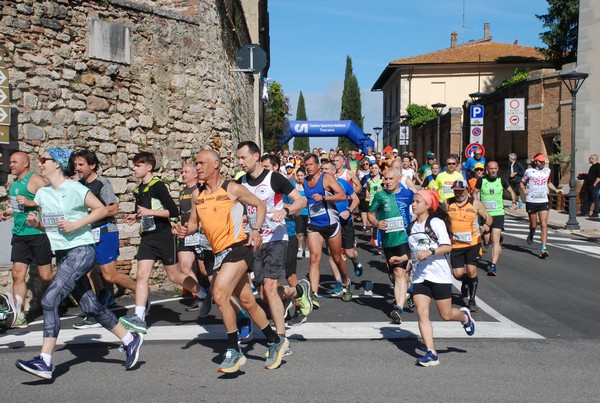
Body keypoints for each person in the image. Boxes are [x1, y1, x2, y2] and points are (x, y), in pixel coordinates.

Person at [175, 149, 309, 372]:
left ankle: (233, 350)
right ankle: (275, 341)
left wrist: (255, 230)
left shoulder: (232, 188)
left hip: (239, 249)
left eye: (201, 163)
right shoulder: (198, 195)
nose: (197, 167)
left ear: (215, 164)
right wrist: (183, 230)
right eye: (195, 164)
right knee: (247, 301)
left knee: (219, 293)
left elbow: (261, 205)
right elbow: (193, 223)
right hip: (218, 254)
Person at [15, 148, 142, 379]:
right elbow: (51, 226)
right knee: (91, 307)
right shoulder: (43, 194)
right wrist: (37, 226)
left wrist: (77, 225)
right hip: (64, 254)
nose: (40, 163)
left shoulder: (75, 188)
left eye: (44, 160)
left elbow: (102, 209)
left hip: (81, 252)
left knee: (49, 299)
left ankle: (44, 361)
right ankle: (129, 338)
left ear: (58, 164)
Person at [390, 190, 475, 367]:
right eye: (413, 201)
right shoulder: (411, 227)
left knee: (446, 314)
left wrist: (430, 252)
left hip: (439, 275)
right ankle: (431, 352)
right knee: (422, 313)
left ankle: (464, 317)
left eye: (417, 202)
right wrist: (402, 259)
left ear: (428, 205)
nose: (413, 204)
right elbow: (414, 253)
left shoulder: (435, 223)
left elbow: (447, 247)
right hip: (421, 277)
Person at [119, 152, 200, 334]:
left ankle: (203, 294)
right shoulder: (140, 189)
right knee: (142, 276)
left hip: (163, 236)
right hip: (148, 238)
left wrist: (149, 212)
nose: (134, 168)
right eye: (134, 165)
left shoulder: (158, 186)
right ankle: (139, 318)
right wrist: (136, 215)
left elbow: (172, 212)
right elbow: (145, 211)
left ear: (149, 167)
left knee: (174, 276)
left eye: (137, 165)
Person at [237, 142, 307, 343]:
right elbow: (242, 210)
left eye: (244, 157)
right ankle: (297, 290)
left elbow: (301, 201)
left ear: (256, 156)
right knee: (266, 294)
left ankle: (280, 339)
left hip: (276, 237)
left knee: (269, 287)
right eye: (239, 158)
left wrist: (285, 211)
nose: (240, 162)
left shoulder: (273, 178)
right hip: (255, 239)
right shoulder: (241, 182)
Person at [70, 149, 138, 329]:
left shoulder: (102, 183)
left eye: (81, 165)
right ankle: (97, 307)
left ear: (92, 166)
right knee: (87, 271)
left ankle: (140, 292)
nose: (77, 168)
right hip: (88, 233)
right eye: (76, 165)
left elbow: (114, 209)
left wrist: (93, 213)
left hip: (105, 231)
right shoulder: (80, 185)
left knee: (110, 275)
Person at [1, 152, 54, 328]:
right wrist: (8, 212)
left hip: (38, 233)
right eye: (10, 162)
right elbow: (18, 206)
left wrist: (32, 204)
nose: (11, 165)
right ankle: (19, 313)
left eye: (14, 162)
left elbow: (53, 201)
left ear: (25, 163)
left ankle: (67, 283)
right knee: (17, 274)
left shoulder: (36, 180)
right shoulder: (14, 184)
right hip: (19, 234)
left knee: (46, 275)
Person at [303, 153, 352, 304]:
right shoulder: (305, 181)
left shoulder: (326, 178)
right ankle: (314, 294)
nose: (308, 168)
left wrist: (324, 198)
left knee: (337, 258)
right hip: (314, 224)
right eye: (306, 165)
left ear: (317, 165)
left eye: (311, 164)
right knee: (314, 258)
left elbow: (342, 196)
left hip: (331, 224)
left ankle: (345, 282)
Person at [368, 168, 414, 324]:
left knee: (399, 271)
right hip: (388, 240)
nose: (386, 182)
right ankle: (410, 289)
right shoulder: (380, 196)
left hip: (404, 239)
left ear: (399, 178)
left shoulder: (408, 195)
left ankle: (398, 308)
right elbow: (370, 214)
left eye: (390, 179)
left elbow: (420, 207)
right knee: (394, 274)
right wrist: (376, 223)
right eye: (385, 179)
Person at [445, 179, 492, 312]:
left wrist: (487, 225)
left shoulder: (475, 203)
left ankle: (472, 299)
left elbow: (488, 217)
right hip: (455, 244)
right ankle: (464, 281)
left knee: (472, 271)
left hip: (473, 242)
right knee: (457, 274)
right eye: (456, 191)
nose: (458, 194)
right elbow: (443, 218)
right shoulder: (448, 202)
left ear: (466, 190)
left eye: (460, 191)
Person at [175, 163, 212, 316]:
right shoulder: (183, 192)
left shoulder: (199, 189)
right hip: (186, 234)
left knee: (204, 270)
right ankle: (201, 295)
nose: (183, 174)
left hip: (200, 234)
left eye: (186, 172)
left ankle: (219, 293)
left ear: (195, 174)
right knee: (184, 267)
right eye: (182, 171)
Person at [321, 160, 362, 295]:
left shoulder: (343, 184)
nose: (324, 171)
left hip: (345, 222)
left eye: (326, 169)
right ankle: (339, 282)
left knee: (349, 252)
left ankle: (356, 261)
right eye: (322, 169)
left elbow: (356, 199)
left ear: (334, 171)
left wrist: (349, 210)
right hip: (331, 223)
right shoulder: (320, 188)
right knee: (333, 255)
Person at [474, 161, 518, 276]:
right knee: (487, 240)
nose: (493, 170)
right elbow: (474, 193)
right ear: (487, 170)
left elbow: (511, 191)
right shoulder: (482, 181)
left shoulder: (502, 180)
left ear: (497, 169)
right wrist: (478, 204)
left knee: (495, 240)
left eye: (495, 168)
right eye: (491, 168)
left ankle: (493, 266)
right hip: (486, 215)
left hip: (498, 213)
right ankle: (496, 240)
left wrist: (514, 202)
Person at [520, 154, 562, 259]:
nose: (543, 163)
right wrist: (524, 189)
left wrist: (556, 190)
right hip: (531, 201)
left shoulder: (547, 171)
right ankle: (532, 233)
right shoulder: (528, 171)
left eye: (544, 161)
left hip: (543, 200)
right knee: (533, 224)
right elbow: (522, 182)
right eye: (540, 161)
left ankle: (543, 248)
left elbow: (549, 182)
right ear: (535, 161)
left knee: (544, 224)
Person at [293, 168, 310, 259]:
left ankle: (307, 249)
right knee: (299, 232)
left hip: (307, 213)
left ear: (304, 176)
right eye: (298, 175)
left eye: (301, 175)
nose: (300, 178)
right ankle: (300, 248)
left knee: (307, 232)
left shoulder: (307, 186)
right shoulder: (295, 187)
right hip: (298, 213)